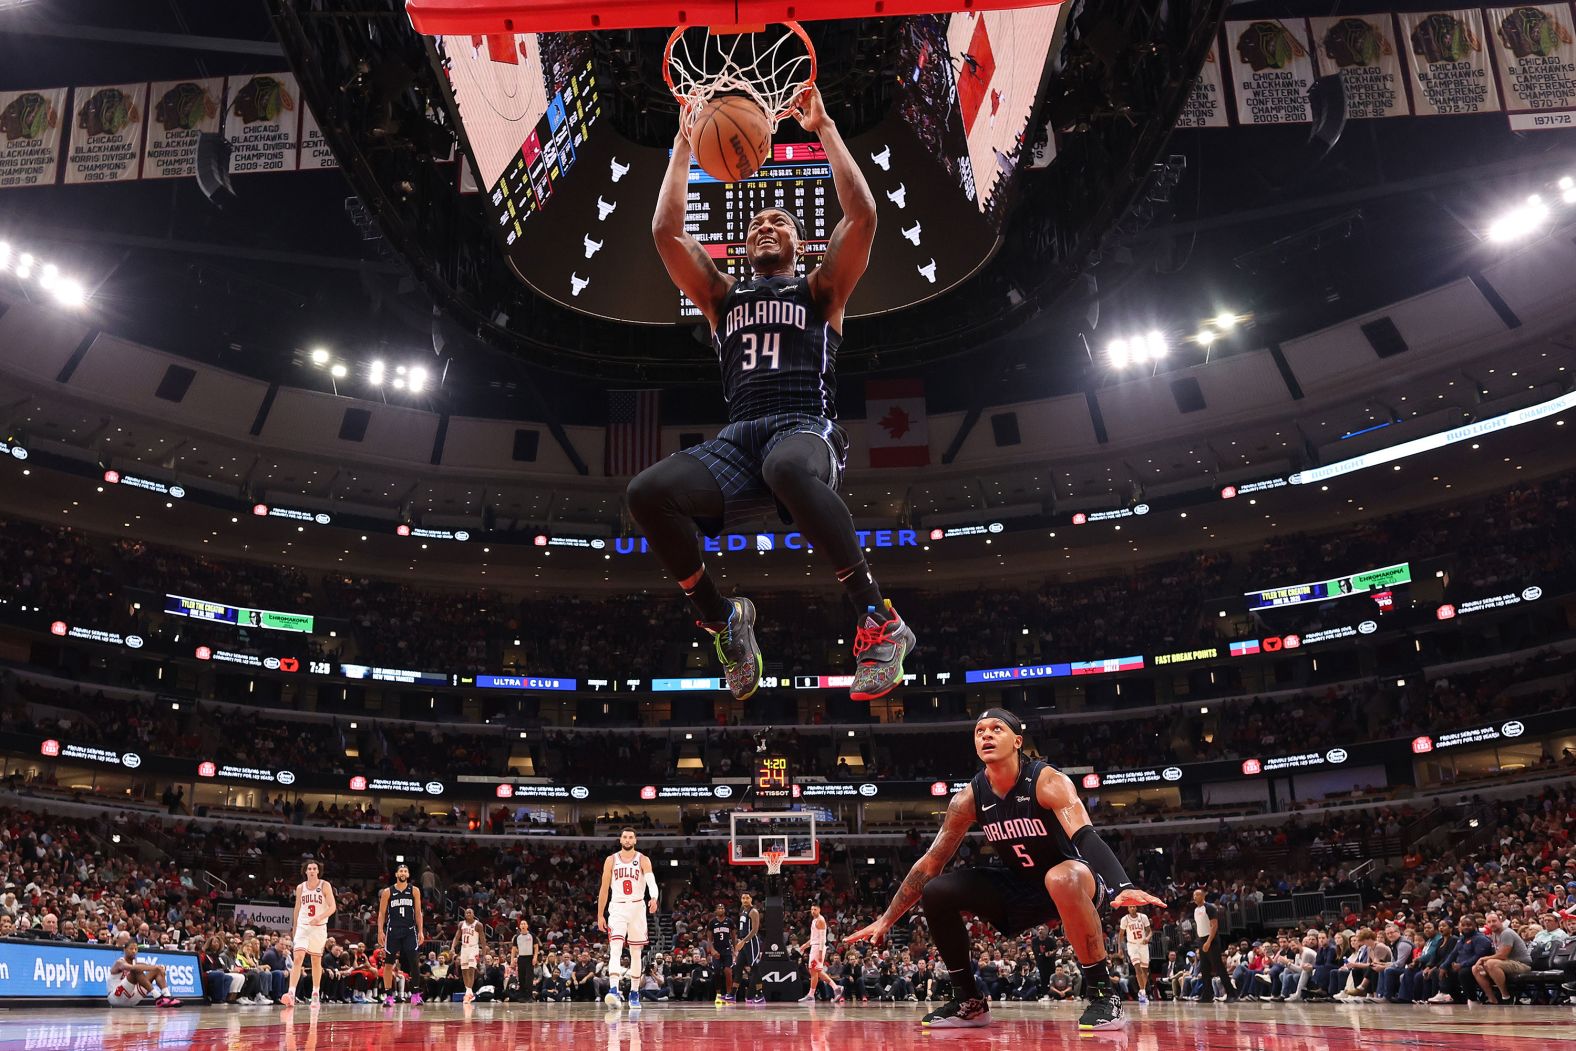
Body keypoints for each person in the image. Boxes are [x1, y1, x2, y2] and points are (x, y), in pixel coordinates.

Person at [636, 82, 915, 705]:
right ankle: (723, 621)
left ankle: (880, 620)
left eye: (780, 222)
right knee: (647, 494)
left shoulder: (821, 292)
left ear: (799, 245)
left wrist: (824, 127)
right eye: (758, 222)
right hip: (739, 438)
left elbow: (864, 216)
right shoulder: (721, 296)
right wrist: (684, 147)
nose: (767, 226)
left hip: (804, 426)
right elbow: (664, 232)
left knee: (786, 465)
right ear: (744, 244)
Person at [845, 708, 1164, 1032]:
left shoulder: (1048, 781)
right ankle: (969, 1001)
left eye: (996, 728)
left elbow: (1085, 835)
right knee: (937, 890)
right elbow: (930, 863)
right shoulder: (968, 798)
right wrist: (888, 918)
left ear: (1017, 741)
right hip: (1019, 885)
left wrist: (1121, 885)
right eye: (979, 730)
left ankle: (1103, 994)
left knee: (1059, 877)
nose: (986, 734)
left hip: (1074, 878)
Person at [597, 827, 659, 1007]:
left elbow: (651, 881)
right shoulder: (611, 860)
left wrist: (654, 897)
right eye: (624, 837)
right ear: (620, 839)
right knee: (615, 947)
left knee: (635, 952)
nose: (627, 840)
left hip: (637, 907)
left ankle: (634, 992)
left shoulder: (643, 859)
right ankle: (614, 990)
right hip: (617, 907)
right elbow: (604, 888)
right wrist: (600, 914)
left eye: (631, 837)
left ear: (635, 840)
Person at [282, 860, 335, 1007]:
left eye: (314, 868)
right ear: (305, 872)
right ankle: (291, 993)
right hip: (303, 927)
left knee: (316, 961)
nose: (312, 870)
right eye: (309, 868)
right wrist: (294, 927)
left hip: (319, 927)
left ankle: (315, 993)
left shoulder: (325, 885)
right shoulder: (300, 888)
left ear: (318, 871)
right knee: (298, 957)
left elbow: (333, 907)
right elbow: (297, 908)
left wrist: (320, 916)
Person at [376, 863, 425, 1006]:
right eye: (400, 871)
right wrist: (380, 930)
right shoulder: (388, 892)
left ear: (408, 875)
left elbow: (418, 912)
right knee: (388, 963)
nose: (403, 873)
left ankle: (415, 995)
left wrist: (420, 931)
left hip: (410, 931)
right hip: (393, 931)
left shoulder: (414, 891)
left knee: (414, 963)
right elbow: (381, 913)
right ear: (396, 875)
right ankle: (389, 996)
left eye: (405, 871)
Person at [1473, 910, 1533, 1005]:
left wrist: (1483, 959)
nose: (1492, 924)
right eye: (1489, 922)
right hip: (1507, 963)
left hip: (1522, 964)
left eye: (1494, 921)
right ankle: (1492, 998)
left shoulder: (1506, 933)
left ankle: (1506, 996)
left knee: (1491, 963)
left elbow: (1502, 955)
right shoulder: (1494, 934)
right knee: (1475, 968)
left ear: (1500, 921)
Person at [1192, 889, 1234, 1003]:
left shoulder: (1209, 907)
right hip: (1201, 940)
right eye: (1194, 895)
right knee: (1204, 969)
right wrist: (1200, 942)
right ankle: (1207, 995)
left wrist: (1208, 941)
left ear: (1203, 895)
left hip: (1211, 940)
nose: (1195, 897)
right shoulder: (1196, 910)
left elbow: (1214, 926)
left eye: (1197, 895)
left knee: (1219, 967)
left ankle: (1232, 993)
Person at [108, 942, 181, 1008]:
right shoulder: (119, 962)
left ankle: (167, 996)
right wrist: (155, 967)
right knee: (136, 969)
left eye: (136, 949)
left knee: (156, 970)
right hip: (116, 997)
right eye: (131, 949)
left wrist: (160, 968)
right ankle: (157, 997)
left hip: (131, 999)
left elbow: (150, 968)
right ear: (124, 950)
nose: (134, 951)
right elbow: (132, 968)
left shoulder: (136, 963)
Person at [798, 902, 845, 1002]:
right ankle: (836, 988)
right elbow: (814, 938)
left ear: (819, 910)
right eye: (811, 909)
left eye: (815, 909)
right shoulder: (815, 920)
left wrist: (819, 952)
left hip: (818, 948)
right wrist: (805, 945)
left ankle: (811, 995)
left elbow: (822, 939)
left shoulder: (820, 920)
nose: (813, 911)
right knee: (817, 972)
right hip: (815, 947)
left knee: (813, 971)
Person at [734, 891, 764, 1005]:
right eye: (743, 898)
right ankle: (732, 994)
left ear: (751, 899)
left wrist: (744, 941)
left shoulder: (754, 911)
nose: (745, 900)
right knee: (738, 967)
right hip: (743, 941)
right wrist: (739, 939)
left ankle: (760, 995)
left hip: (751, 942)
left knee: (755, 968)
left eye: (747, 898)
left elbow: (755, 930)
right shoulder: (742, 911)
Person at [450, 908, 485, 1003]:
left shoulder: (478, 925)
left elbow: (483, 940)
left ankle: (468, 994)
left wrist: (484, 953)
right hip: (464, 948)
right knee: (464, 970)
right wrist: (453, 947)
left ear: (473, 914)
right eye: (466, 912)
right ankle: (469, 992)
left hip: (473, 948)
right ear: (464, 915)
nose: (468, 913)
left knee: (471, 970)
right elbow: (457, 937)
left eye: (470, 912)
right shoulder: (461, 924)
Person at [1119, 904, 1152, 1004]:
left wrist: (1147, 938)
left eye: (1134, 906)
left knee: (1145, 970)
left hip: (1143, 945)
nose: (1132, 908)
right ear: (1128, 908)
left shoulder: (1143, 917)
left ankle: (1142, 990)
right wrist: (1120, 948)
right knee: (1137, 967)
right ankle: (1142, 993)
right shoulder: (1125, 919)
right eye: (1130, 907)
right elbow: (1120, 935)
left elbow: (1149, 931)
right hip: (1132, 945)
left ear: (1136, 908)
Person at [710, 902, 735, 1003]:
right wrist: (712, 950)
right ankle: (719, 994)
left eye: (722, 908)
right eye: (719, 908)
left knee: (728, 971)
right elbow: (709, 939)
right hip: (716, 949)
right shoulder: (712, 922)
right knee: (716, 970)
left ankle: (729, 994)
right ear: (716, 910)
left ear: (725, 910)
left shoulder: (729, 921)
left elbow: (733, 937)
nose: (721, 910)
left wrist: (735, 950)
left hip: (727, 950)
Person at [511, 916, 537, 1003]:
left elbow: (536, 947)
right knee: (521, 978)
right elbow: (514, 949)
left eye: (524, 923)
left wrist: (535, 957)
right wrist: (512, 960)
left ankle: (529, 996)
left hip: (530, 958)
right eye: (521, 924)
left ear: (527, 926)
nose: (523, 925)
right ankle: (522, 996)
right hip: (521, 958)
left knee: (529, 978)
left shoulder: (532, 935)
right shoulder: (517, 937)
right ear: (519, 926)